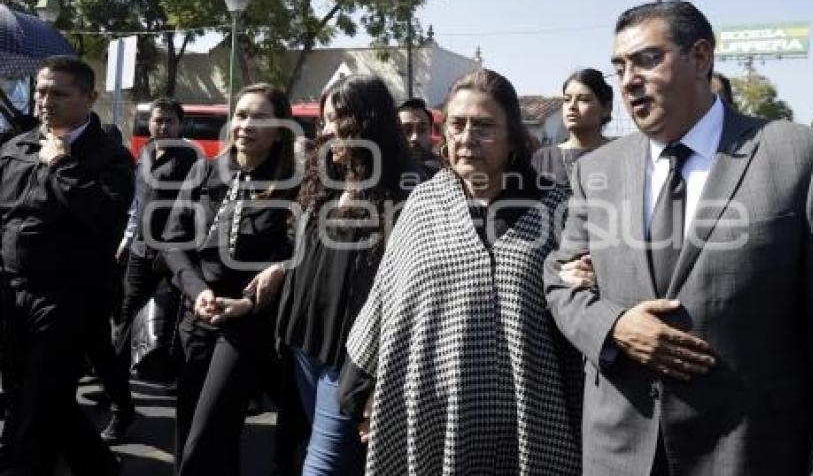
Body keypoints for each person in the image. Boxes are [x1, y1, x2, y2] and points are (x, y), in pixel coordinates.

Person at [545, 0, 813, 475]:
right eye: (620, 67)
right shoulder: (596, 170)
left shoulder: (799, 156)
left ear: (701, 57)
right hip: (620, 452)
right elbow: (562, 280)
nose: (628, 80)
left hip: (748, 452)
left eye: (647, 59)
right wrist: (614, 327)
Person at [344, 69, 582, 475]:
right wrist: (361, 385)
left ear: (512, 137)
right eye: (457, 124)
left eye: (485, 126)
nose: (467, 138)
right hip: (433, 411)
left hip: (531, 416)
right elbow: (388, 297)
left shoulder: (557, 206)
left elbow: (579, 306)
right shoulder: (425, 202)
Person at [272, 75, 413, 475]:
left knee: (322, 468)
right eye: (325, 120)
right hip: (304, 346)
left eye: (340, 119)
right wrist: (279, 271)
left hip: (351, 361)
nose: (328, 130)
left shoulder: (404, 193)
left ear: (370, 123)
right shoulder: (324, 183)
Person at [0, 55, 134, 475]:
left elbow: (106, 217)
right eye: (41, 90)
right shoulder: (16, 146)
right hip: (11, 291)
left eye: (59, 93)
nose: (45, 101)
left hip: (67, 297)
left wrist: (61, 164)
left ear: (89, 98)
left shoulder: (109, 156)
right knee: (33, 394)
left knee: (40, 402)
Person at [162, 84, 298, 476]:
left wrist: (250, 302)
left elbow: (299, 256)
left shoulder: (293, 184)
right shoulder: (204, 170)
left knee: (207, 436)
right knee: (190, 430)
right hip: (198, 312)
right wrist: (197, 291)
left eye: (259, 117)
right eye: (240, 115)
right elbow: (172, 241)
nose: (246, 125)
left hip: (249, 322)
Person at [101, 98, 202, 444]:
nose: (162, 127)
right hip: (141, 254)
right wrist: (128, 240)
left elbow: (194, 212)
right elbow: (136, 203)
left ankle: (179, 390)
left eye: (169, 121)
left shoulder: (190, 160)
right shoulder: (144, 154)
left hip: (172, 259)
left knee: (172, 327)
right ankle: (119, 405)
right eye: (157, 121)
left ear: (180, 124)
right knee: (124, 328)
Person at [531, 68, 613, 189]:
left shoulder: (620, 155)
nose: (572, 106)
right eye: (567, 100)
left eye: (584, 99)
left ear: (606, 108)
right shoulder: (543, 158)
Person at [397, 98, 442, 177]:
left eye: (422, 129)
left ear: (430, 132)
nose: (415, 137)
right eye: (406, 130)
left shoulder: (444, 172)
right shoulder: (381, 173)